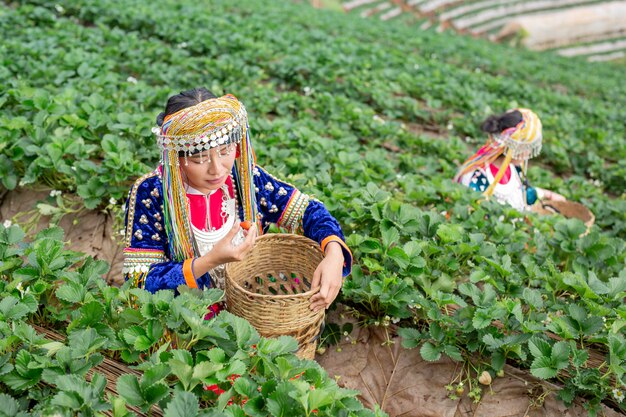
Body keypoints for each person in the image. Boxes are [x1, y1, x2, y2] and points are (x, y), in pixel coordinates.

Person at [122, 88, 351, 312]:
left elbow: (308, 211)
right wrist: (210, 260)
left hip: (251, 303)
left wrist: (333, 252)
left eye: (225, 150)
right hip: (189, 320)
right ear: (176, 156)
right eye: (200, 158)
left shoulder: (244, 178)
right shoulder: (153, 192)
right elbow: (140, 282)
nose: (217, 169)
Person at [454, 108, 565, 211]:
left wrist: (549, 195)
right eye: (528, 147)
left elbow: (525, 194)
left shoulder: (514, 170)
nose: (529, 153)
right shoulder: (478, 177)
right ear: (516, 148)